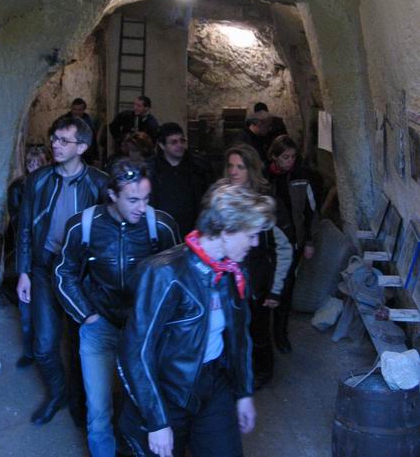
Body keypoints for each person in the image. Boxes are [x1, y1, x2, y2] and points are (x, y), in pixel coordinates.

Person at [118, 183, 276, 457]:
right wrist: (157, 421)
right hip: (167, 391)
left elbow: (239, 337)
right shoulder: (165, 273)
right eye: (251, 235)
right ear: (226, 231)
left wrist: (243, 392)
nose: (255, 243)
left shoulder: (233, 270)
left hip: (213, 384)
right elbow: (135, 351)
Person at [54, 159, 181, 457]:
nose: (142, 207)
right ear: (112, 194)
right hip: (101, 327)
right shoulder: (83, 226)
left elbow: (178, 278)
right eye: (133, 200)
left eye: (146, 198)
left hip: (145, 333)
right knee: (99, 412)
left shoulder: (161, 225)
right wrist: (87, 315)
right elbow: (63, 273)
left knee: (147, 408)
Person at [16, 115, 108, 426]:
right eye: (54, 138)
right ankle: (58, 394)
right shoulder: (38, 180)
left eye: (63, 140)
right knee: (43, 347)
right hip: (44, 268)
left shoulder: (99, 182)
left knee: (81, 345)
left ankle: (80, 402)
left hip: (80, 274)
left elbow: (108, 233)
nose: (55, 145)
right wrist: (24, 272)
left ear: (82, 147)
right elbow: (25, 227)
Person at [224, 144, 293, 388]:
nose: (233, 171)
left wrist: (276, 290)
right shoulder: (223, 201)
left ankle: (262, 371)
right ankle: (236, 372)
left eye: (240, 167)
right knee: (231, 332)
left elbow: (284, 249)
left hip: (258, 285)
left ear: (252, 170)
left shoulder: (266, 205)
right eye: (231, 166)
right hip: (229, 284)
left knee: (258, 333)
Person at [267, 134, 319, 353]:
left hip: (292, 241)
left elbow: (310, 210)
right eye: (285, 157)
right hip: (268, 242)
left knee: (286, 287)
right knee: (267, 286)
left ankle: (280, 333)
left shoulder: (301, 177)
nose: (290, 161)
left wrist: (309, 240)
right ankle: (264, 333)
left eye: (293, 157)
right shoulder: (264, 177)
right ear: (274, 157)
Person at [6, 145, 52, 368]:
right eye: (30, 164)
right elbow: (18, 222)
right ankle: (29, 351)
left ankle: (45, 352)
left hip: (49, 253)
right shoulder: (19, 187)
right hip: (29, 252)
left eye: (38, 164)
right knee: (27, 310)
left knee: (47, 312)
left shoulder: (53, 185)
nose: (34, 168)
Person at [150, 122, 213, 237]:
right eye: (174, 142)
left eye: (182, 141)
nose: (179, 145)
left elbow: (209, 198)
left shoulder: (199, 167)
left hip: (194, 230)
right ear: (162, 145)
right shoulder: (151, 170)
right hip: (161, 231)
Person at [65, 97, 99, 165]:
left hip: (86, 156)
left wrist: (95, 157)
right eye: (75, 109)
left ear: (84, 110)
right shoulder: (64, 121)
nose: (77, 112)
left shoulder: (89, 122)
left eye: (80, 110)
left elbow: (93, 140)